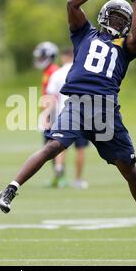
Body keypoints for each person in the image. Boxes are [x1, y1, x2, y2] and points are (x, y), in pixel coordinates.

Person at [0, 0, 136, 251]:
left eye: (121, 20)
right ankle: (10, 189)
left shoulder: (126, 48)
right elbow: (72, 4)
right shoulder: (83, 34)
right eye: (113, 16)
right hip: (77, 104)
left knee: (130, 170)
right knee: (53, 146)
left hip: (105, 112)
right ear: (103, 16)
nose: (117, 22)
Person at [46, 47, 89, 189]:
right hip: (82, 115)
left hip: (62, 114)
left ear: (63, 57)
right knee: (80, 148)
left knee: (60, 146)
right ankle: (78, 179)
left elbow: (51, 98)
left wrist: (48, 117)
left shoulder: (57, 74)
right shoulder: (83, 71)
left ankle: (59, 172)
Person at [33, 42, 66, 188]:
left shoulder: (53, 71)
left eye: (42, 56)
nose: (40, 59)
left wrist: (48, 115)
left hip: (55, 113)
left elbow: (54, 96)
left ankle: (60, 177)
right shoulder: (48, 71)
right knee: (50, 146)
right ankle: (57, 177)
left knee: (53, 146)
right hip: (52, 112)